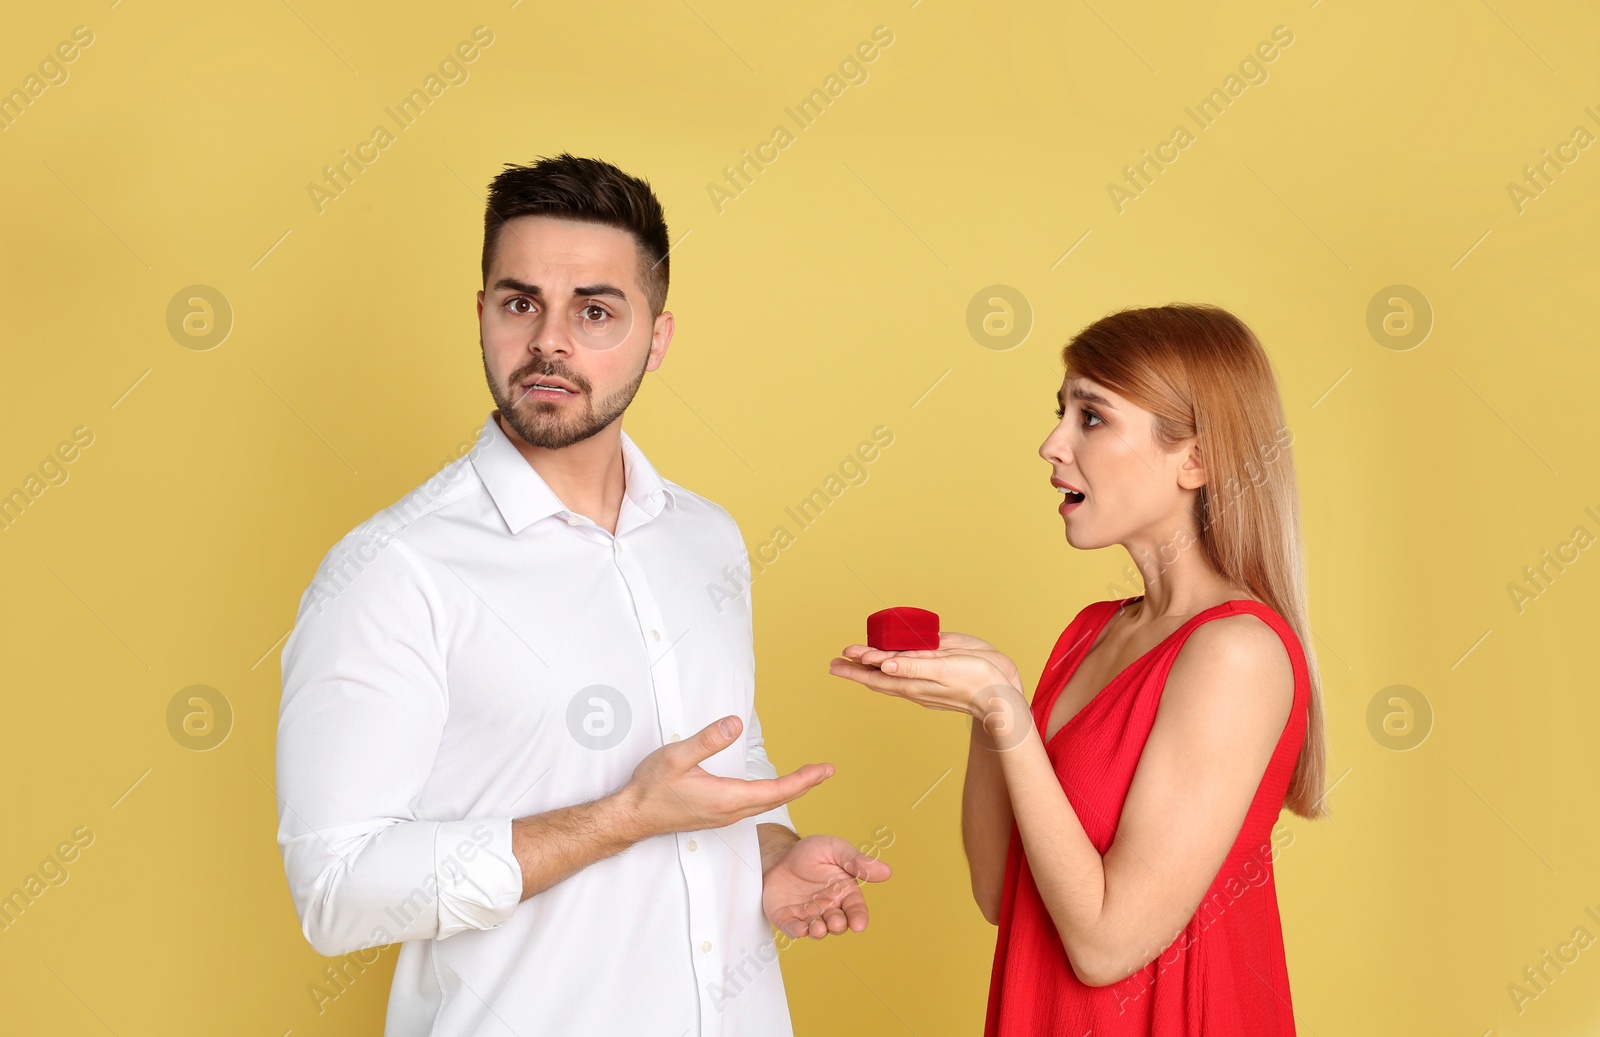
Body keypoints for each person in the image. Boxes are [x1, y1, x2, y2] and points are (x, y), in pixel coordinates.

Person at [274, 153, 890, 1037]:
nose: (548, 342)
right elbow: (337, 891)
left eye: (594, 310)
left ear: (658, 337)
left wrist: (774, 853)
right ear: (482, 313)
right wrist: (618, 819)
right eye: (520, 303)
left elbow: (724, 759)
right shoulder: (391, 570)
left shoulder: (704, 538)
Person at [828, 304, 1326, 1034]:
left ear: (1197, 458)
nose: (1052, 443)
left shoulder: (1237, 652)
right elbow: (1004, 893)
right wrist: (992, 707)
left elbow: (1104, 944)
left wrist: (1005, 710)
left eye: (1091, 417)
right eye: (1061, 411)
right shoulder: (1091, 633)